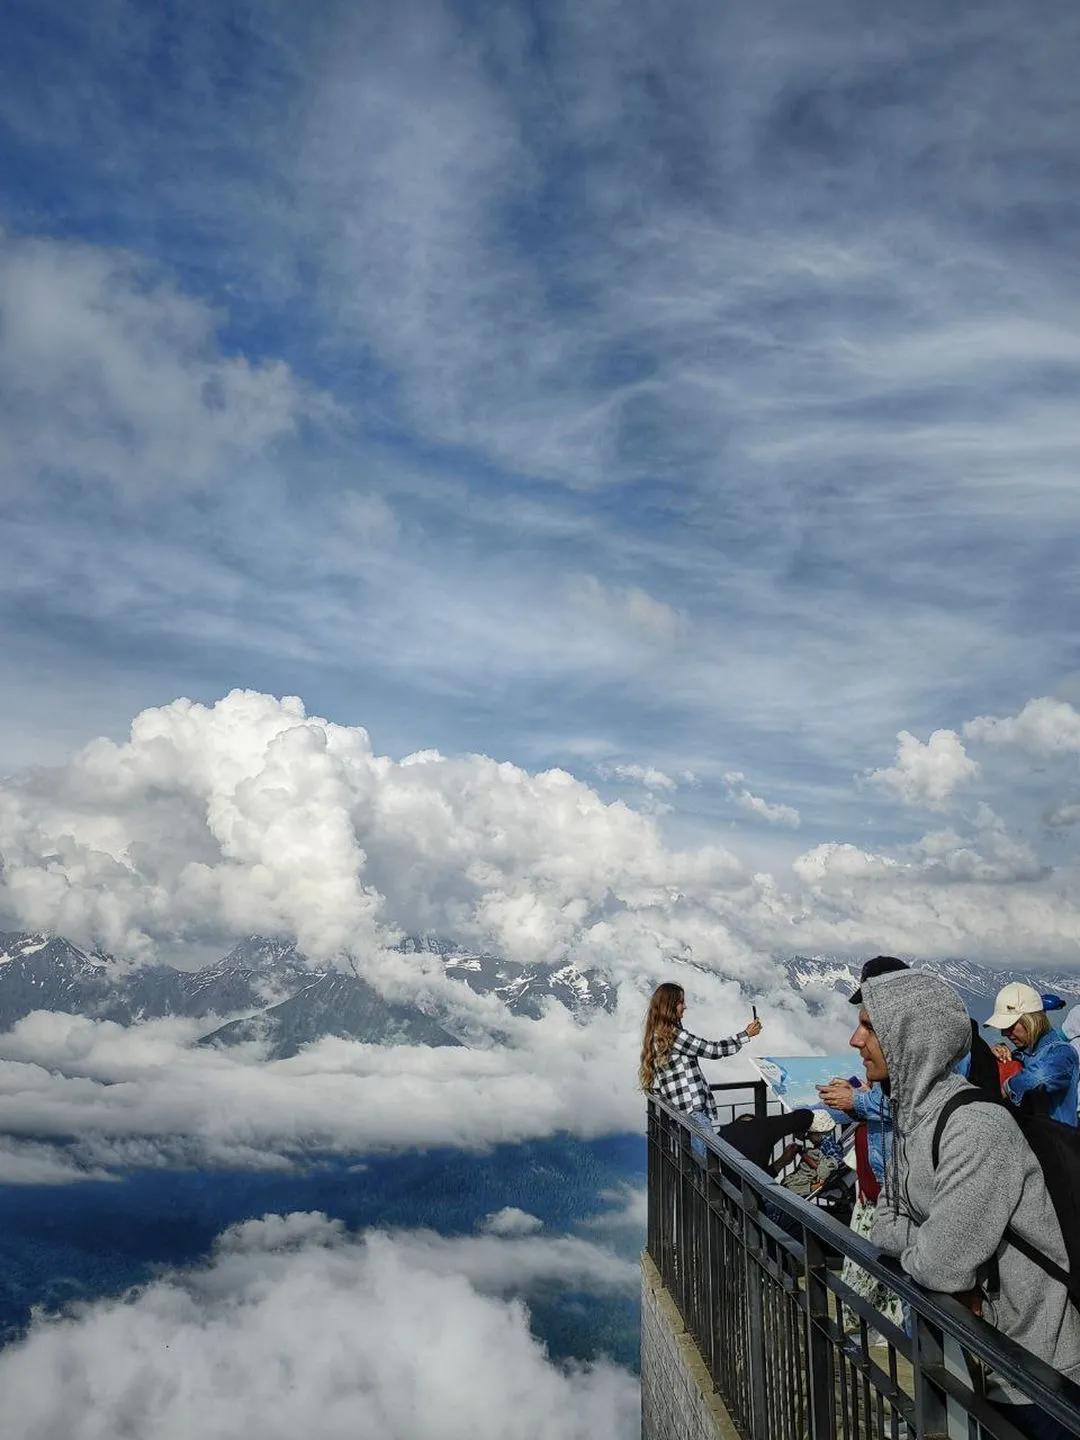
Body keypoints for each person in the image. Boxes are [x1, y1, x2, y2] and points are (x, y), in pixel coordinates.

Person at [856, 967, 1080, 1440]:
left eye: (870, 1027)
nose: (856, 1040)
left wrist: (935, 1248)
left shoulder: (973, 1128)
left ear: (910, 1038)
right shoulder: (913, 1122)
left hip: (1037, 1374)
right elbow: (883, 1224)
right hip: (983, 1363)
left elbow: (940, 1266)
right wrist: (934, 1241)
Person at [639, 982, 762, 1154]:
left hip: (680, 1111)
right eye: (681, 1002)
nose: (685, 1006)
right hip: (693, 1111)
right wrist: (745, 1035)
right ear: (670, 1006)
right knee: (706, 1168)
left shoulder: (657, 1034)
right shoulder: (674, 1035)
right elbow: (713, 1050)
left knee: (695, 1166)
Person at [986, 982, 1079, 1127]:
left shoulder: (1063, 1052)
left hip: (1058, 1146)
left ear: (1031, 1021)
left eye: (1010, 1025)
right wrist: (991, 1059)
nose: (1004, 1033)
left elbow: (1041, 1075)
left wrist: (1004, 1089)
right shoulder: (1019, 1054)